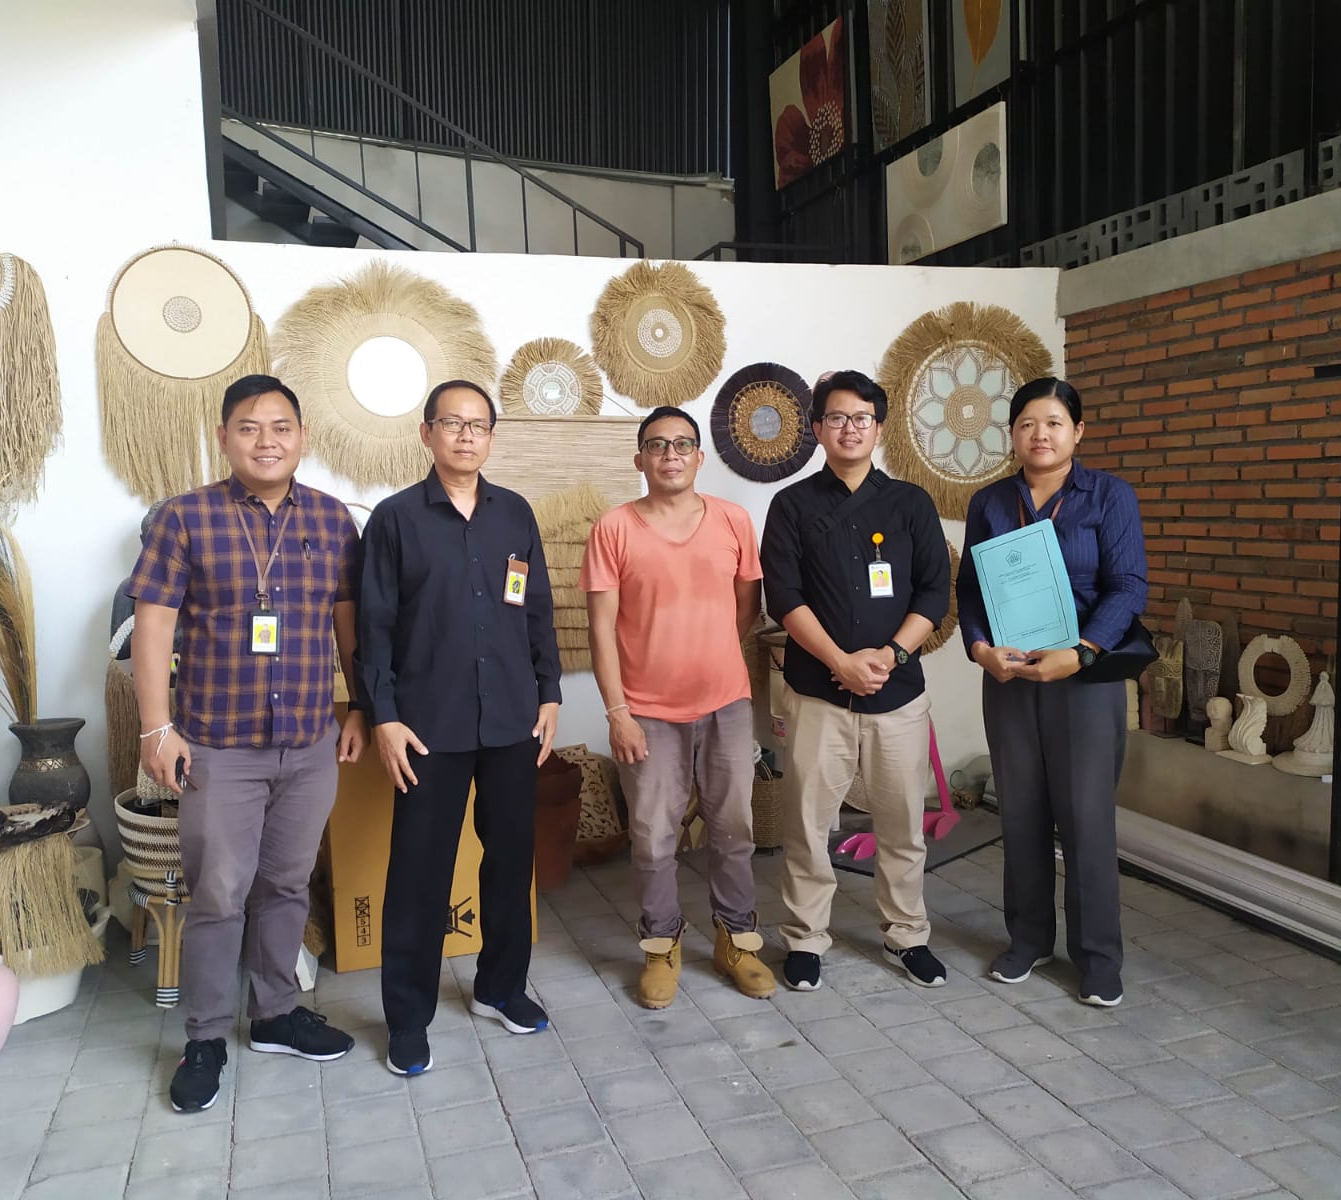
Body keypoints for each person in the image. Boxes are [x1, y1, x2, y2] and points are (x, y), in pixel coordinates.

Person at [129, 373, 367, 1114]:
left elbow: (348, 626)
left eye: (280, 426)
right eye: (249, 427)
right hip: (219, 747)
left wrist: (360, 706)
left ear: (303, 436)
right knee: (218, 894)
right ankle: (204, 1037)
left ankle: (274, 1015)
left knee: (288, 885)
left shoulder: (331, 520)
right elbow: (153, 626)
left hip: (308, 741)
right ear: (224, 437)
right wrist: (156, 727)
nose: (267, 441)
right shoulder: (185, 518)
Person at [356, 380, 561, 1076]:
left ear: (491, 437)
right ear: (427, 434)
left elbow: (536, 609)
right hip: (427, 727)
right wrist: (384, 716)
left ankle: (500, 987)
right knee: (419, 873)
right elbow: (374, 629)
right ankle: (408, 1019)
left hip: (511, 720)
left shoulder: (516, 514)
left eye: (478, 425)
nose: (466, 435)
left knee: (509, 862)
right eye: (452, 423)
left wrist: (550, 693)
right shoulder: (394, 520)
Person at [957, 376, 1148, 1008]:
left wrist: (1083, 651)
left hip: (1083, 679)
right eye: (1027, 424)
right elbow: (970, 590)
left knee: (1087, 818)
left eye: (1054, 423)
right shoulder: (990, 502)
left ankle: (1098, 957)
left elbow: (1128, 586)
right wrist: (980, 649)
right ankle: (1029, 939)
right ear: (1012, 434)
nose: (1040, 434)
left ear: (1078, 432)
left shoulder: (1109, 497)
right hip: (1010, 677)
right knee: (1020, 811)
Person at [760, 369, 951, 993]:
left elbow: (934, 591)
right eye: (837, 418)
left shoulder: (910, 503)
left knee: (901, 823)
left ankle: (907, 934)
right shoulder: (791, 506)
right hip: (819, 691)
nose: (850, 428)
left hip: (898, 693)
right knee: (808, 824)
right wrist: (840, 661)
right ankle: (805, 938)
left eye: (862, 418)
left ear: (879, 428)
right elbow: (784, 596)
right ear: (818, 428)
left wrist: (891, 654)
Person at [580, 405, 772, 1009]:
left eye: (682, 444)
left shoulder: (733, 520)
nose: (670, 454)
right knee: (652, 837)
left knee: (734, 829)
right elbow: (601, 629)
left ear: (699, 457)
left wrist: (710, 655)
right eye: (658, 445)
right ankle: (661, 947)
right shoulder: (614, 528)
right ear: (639, 459)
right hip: (647, 713)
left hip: (726, 704)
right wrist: (617, 712)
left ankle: (737, 941)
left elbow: (746, 606)